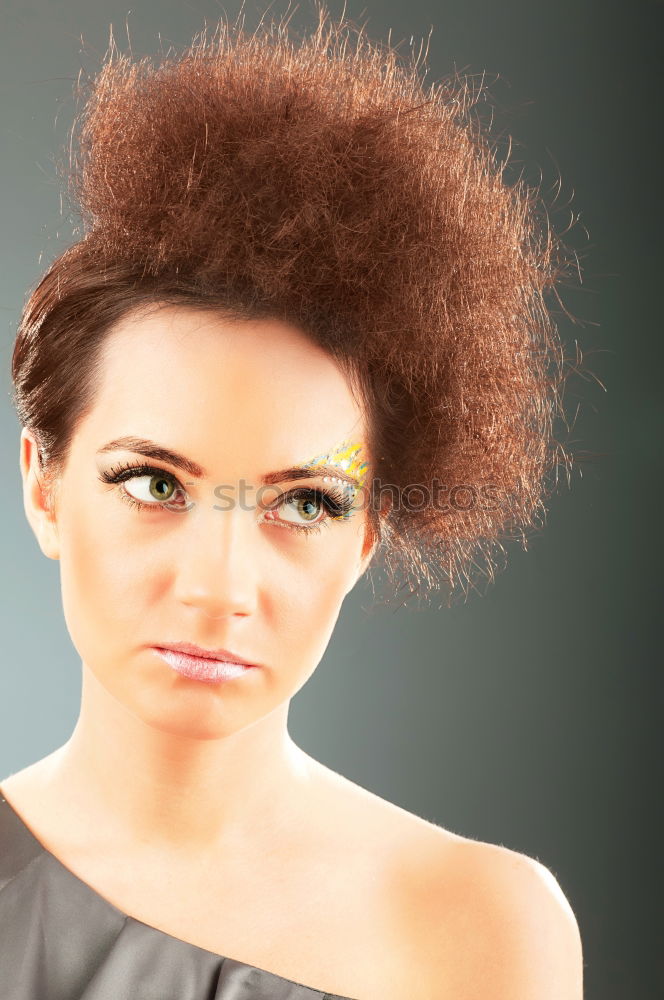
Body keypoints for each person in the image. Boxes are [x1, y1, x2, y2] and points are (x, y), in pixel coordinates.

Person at [0, 10, 584, 999]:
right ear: (45, 487)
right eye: (154, 483)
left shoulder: (482, 928)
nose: (220, 586)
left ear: (365, 539)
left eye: (304, 502)